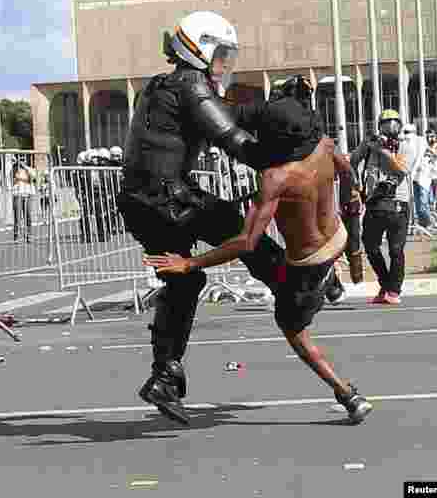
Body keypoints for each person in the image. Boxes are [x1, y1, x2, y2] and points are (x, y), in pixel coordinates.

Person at [144, 78, 373, 425]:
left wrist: (190, 263)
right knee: (287, 271)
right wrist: (352, 194)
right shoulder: (325, 145)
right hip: (336, 238)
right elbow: (346, 168)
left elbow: (246, 242)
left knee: (291, 326)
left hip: (308, 260)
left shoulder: (276, 179)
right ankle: (331, 283)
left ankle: (347, 394)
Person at [117, 11, 285, 425]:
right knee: (238, 227)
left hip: (140, 202)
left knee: (185, 278)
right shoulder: (190, 83)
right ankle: (290, 282)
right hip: (168, 198)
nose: (225, 63)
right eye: (221, 54)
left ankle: (164, 375)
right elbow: (232, 138)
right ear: (200, 48)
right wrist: (282, 159)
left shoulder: (160, 84)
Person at [350, 109, 420, 305]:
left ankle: (394, 290)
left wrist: (384, 151)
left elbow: (403, 169)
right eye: (386, 123)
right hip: (374, 203)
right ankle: (386, 283)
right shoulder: (373, 145)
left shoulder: (406, 146)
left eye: (394, 123)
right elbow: (353, 160)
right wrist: (365, 145)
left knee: (396, 250)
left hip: (398, 203)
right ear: (379, 125)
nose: (390, 127)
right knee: (370, 246)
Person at [11, 160, 35, 243]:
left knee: (28, 216)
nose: (21, 163)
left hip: (27, 195)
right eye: (20, 162)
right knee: (17, 217)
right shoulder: (14, 169)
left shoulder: (28, 170)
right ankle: (16, 236)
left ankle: (29, 235)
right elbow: (11, 179)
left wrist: (25, 167)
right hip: (17, 194)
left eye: (23, 161)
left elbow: (34, 175)